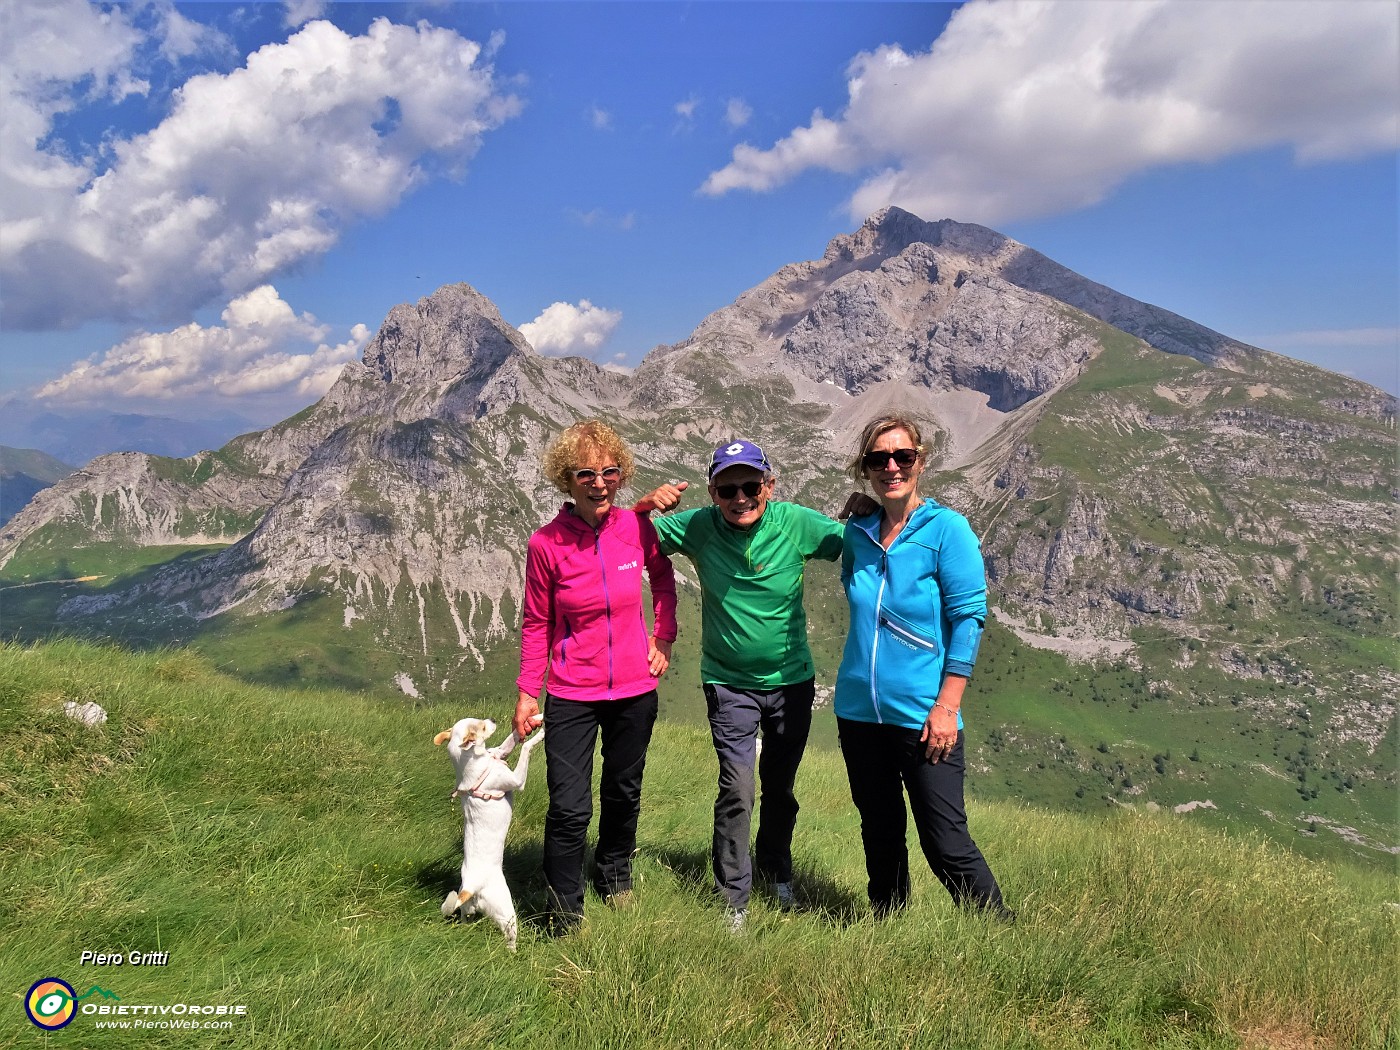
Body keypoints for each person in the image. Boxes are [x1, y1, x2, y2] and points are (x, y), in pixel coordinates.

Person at [638, 439, 845, 929]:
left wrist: (867, 515)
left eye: (751, 486)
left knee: (780, 787)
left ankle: (776, 872)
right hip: (728, 684)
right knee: (737, 788)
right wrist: (643, 505)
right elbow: (624, 538)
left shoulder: (794, 522)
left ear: (768, 487)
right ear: (712, 492)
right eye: (727, 489)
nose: (740, 497)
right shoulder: (698, 527)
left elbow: (861, 545)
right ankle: (733, 897)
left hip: (793, 683)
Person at [833, 415, 1011, 920]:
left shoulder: (947, 529)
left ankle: (1001, 934)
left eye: (902, 457)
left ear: (920, 461)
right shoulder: (859, 534)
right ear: (865, 469)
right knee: (879, 829)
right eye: (878, 459)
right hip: (860, 713)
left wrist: (947, 706)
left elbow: (969, 617)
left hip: (923, 715)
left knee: (945, 839)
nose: (891, 467)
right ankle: (888, 927)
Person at [513, 419, 677, 932]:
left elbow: (664, 582)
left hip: (634, 688)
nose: (599, 481)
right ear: (567, 479)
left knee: (624, 791)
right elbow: (537, 621)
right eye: (586, 472)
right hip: (572, 691)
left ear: (621, 473)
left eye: (609, 470)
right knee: (568, 805)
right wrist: (526, 692)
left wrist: (663, 637)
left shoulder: (635, 526)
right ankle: (564, 907)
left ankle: (614, 875)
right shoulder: (546, 544)